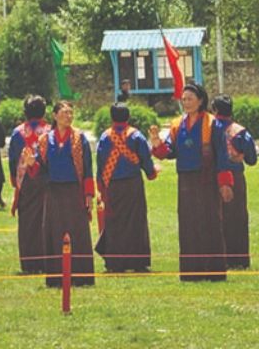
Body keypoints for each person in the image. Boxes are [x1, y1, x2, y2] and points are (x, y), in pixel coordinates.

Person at [150, 82, 235, 282]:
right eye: (184, 99)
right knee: (188, 223)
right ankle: (191, 271)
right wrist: (156, 142)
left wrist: (224, 183)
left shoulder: (213, 124)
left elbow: (222, 155)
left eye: (190, 99)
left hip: (207, 179)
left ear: (200, 101)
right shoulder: (177, 124)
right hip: (186, 181)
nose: (186, 103)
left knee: (210, 221)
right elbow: (169, 152)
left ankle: (213, 271)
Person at [22, 100, 94, 287]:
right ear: (55, 116)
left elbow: (87, 169)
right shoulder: (45, 140)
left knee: (78, 233)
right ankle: (56, 276)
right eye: (64, 113)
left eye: (70, 113)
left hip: (74, 191)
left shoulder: (80, 138)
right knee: (54, 232)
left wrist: (88, 195)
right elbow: (40, 168)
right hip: (53, 192)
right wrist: (31, 163)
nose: (68, 116)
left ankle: (81, 276)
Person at [94, 102, 156, 273]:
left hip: (112, 185)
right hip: (133, 185)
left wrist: (100, 186)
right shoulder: (136, 136)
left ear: (111, 117)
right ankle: (138, 261)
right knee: (136, 221)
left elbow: (100, 163)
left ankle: (115, 262)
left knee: (114, 222)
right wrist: (151, 173)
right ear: (128, 117)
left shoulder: (105, 137)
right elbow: (145, 158)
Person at [213, 95, 258, 269]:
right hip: (236, 178)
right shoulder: (240, 132)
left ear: (215, 110)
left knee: (215, 217)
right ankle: (239, 259)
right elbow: (252, 159)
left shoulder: (209, 129)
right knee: (237, 218)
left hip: (214, 178)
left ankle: (218, 257)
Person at [8, 95, 51, 273]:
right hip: (45, 180)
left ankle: (29, 262)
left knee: (27, 221)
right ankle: (46, 259)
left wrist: (14, 178)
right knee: (45, 218)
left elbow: (12, 159)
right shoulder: (50, 131)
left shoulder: (18, 133)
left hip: (25, 180)